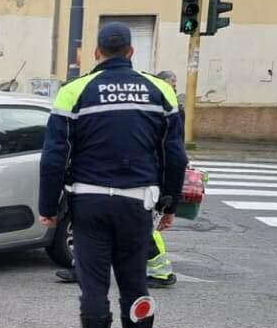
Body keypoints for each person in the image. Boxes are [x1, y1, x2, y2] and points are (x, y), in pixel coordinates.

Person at [39, 22, 188, 328]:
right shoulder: (160, 91)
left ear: (96, 52)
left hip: (89, 201)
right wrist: (170, 202)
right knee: (135, 283)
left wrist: (49, 207)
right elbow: (175, 154)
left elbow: (55, 155)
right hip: (137, 202)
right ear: (132, 52)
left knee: (93, 286)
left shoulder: (75, 91)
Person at [54, 71, 181, 289]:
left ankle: (161, 271)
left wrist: (168, 195)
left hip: (138, 180)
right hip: (99, 179)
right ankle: (81, 268)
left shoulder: (159, 107)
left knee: (143, 232)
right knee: (89, 228)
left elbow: (170, 149)